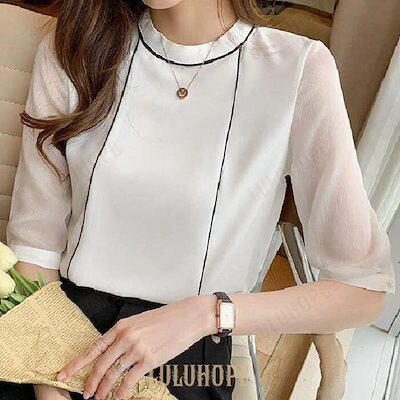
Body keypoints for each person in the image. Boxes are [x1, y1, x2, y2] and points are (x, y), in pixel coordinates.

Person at [2, 0, 396, 399]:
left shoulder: (297, 69)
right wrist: (47, 380)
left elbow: (361, 292)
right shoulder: (76, 47)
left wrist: (209, 314)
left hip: (190, 353)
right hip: (56, 324)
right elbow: (35, 249)